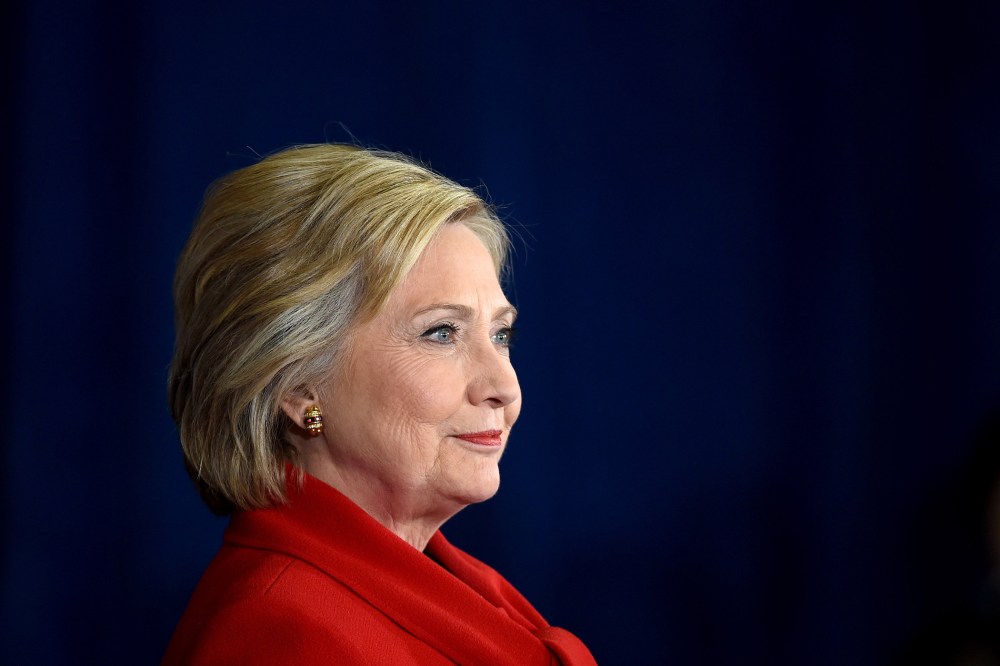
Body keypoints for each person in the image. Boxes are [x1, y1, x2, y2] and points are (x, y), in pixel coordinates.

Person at [162, 144, 596, 665]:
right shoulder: (281, 636)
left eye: (501, 334)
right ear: (299, 385)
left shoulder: (454, 584)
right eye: (442, 333)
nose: (504, 385)